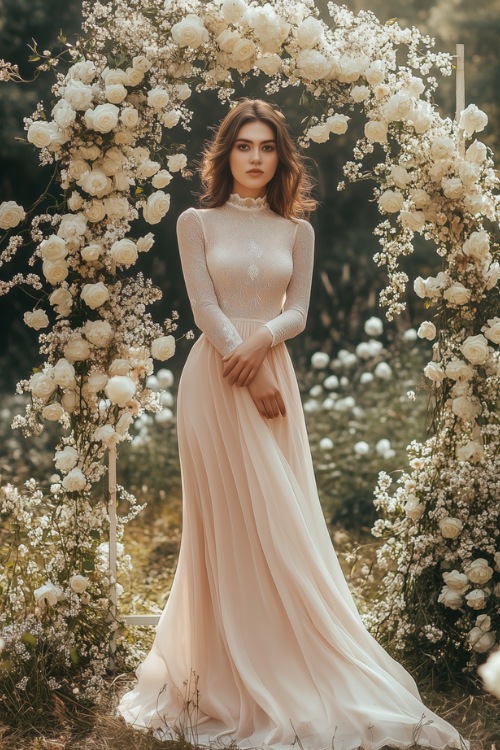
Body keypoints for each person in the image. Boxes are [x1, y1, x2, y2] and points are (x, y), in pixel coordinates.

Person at [117, 99, 469, 750]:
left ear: (280, 157)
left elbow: (299, 310)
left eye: (267, 147)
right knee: (224, 523)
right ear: (226, 155)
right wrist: (242, 358)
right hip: (216, 381)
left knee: (281, 521)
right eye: (244, 146)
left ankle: (292, 661)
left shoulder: (296, 231)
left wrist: (263, 348)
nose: (255, 157)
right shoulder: (195, 222)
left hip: (273, 377)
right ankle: (222, 671)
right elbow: (203, 306)